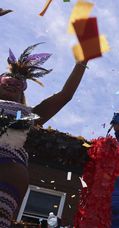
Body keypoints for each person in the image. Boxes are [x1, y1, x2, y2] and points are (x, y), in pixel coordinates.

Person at [0, 43, 88, 227]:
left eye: (18, 83)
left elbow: (64, 95)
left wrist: (82, 61)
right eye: (8, 79)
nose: (13, 83)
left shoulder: (27, 116)